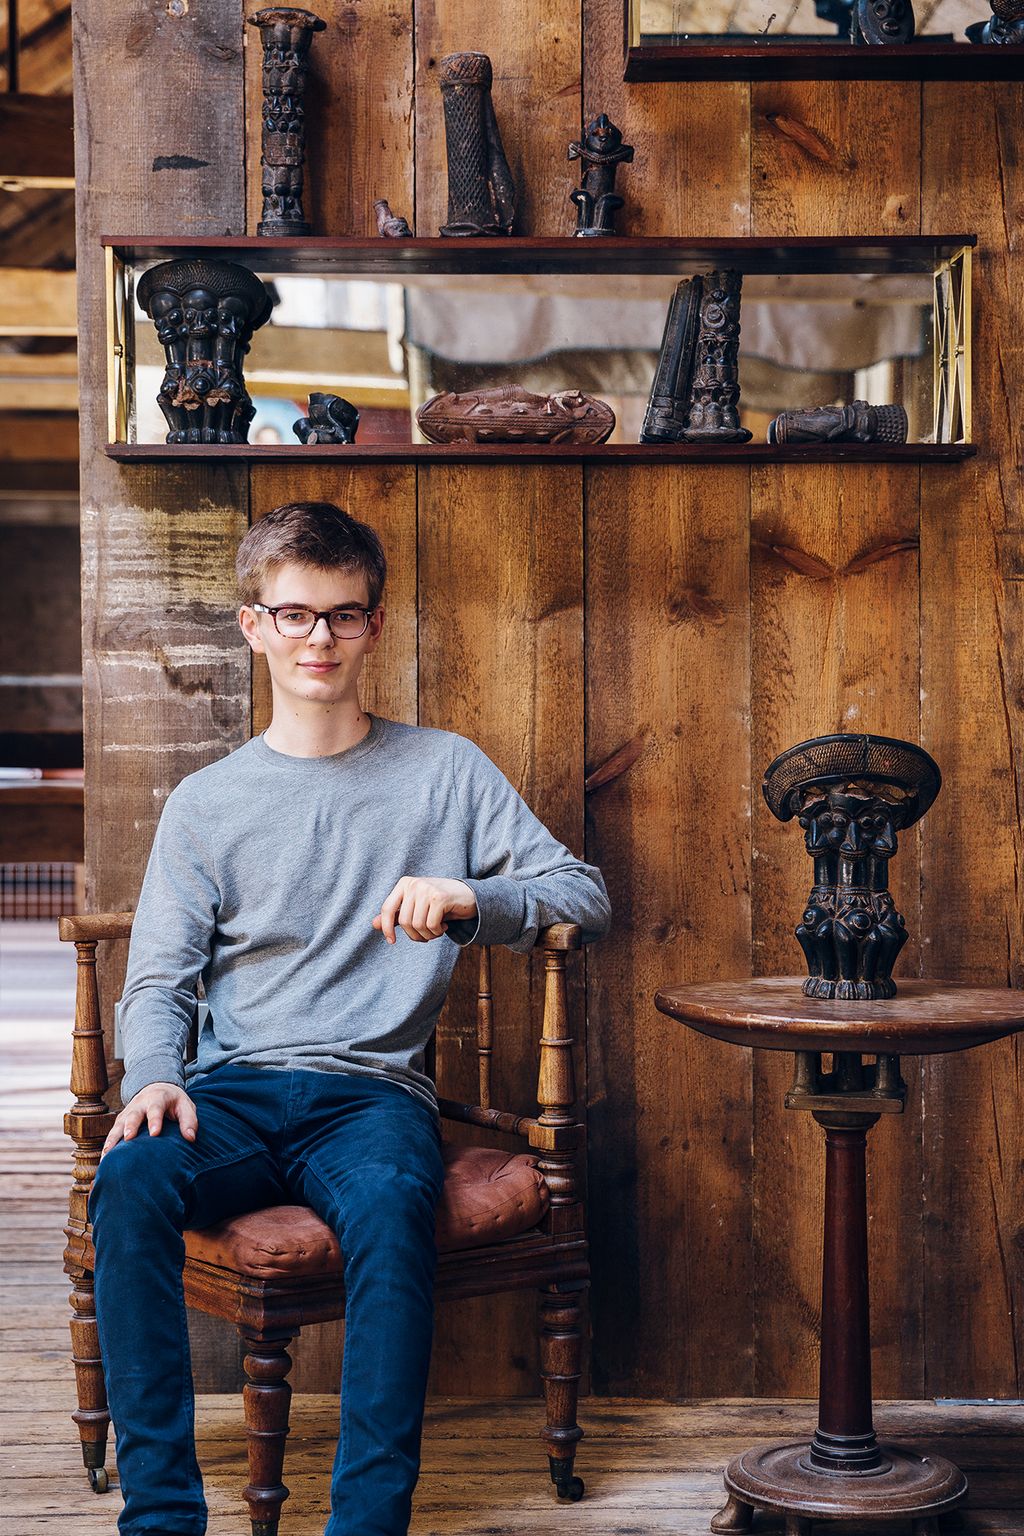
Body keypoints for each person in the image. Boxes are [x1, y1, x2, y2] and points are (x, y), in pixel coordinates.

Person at [89, 501, 611, 1536]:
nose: (317, 638)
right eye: (293, 615)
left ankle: (366, 1524)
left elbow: (581, 894)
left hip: (371, 1096)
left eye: (341, 615)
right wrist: (152, 1074)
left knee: (390, 1209)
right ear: (255, 627)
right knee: (133, 1177)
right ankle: (160, 1517)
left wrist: (472, 900)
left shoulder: (444, 769)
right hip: (230, 1093)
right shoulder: (208, 802)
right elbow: (158, 978)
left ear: (373, 626)